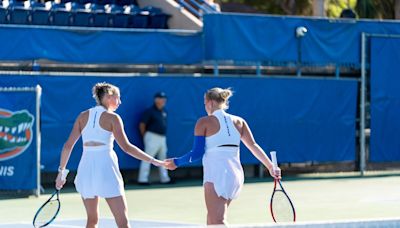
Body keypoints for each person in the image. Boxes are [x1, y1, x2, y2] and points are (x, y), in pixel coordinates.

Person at [165, 87, 281, 225]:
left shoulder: (203, 122)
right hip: (235, 176)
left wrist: (176, 162)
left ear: (210, 103)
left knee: (217, 221)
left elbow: (196, 154)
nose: (204, 106)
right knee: (212, 220)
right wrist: (270, 166)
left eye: (204, 103)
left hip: (217, 175)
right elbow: (253, 146)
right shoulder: (239, 121)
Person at [55, 82, 164, 228]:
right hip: (106, 168)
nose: (120, 102)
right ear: (107, 97)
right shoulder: (113, 118)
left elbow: (68, 146)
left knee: (92, 220)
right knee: (123, 222)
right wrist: (154, 161)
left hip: (86, 169)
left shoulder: (82, 116)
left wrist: (61, 173)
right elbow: (127, 148)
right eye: (117, 97)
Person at [137, 92, 171, 185]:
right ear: (156, 99)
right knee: (147, 157)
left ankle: (165, 179)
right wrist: (145, 137)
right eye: (160, 98)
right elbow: (142, 125)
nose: (163, 100)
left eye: (164, 98)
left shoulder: (164, 111)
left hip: (162, 138)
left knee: (163, 158)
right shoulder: (150, 111)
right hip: (151, 136)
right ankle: (142, 179)